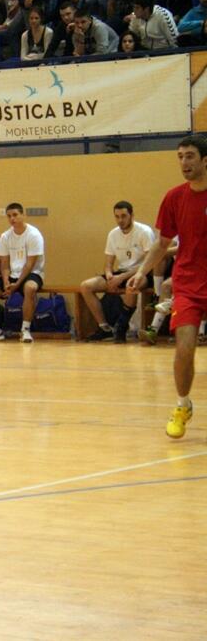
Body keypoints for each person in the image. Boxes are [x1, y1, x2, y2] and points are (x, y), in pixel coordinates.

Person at [126, 136, 207, 437]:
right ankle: (183, 404)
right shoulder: (174, 198)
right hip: (188, 284)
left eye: (190, 156)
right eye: (180, 156)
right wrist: (141, 272)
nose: (184, 162)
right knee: (184, 348)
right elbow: (162, 243)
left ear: (205, 161)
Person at [80, 200, 154, 342]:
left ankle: (122, 325)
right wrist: (109, 276)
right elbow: (108, 263)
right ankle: (104, 327)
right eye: (117, 216)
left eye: (123, 216)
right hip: (120, 272)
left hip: (141, 272)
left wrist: (122, 278)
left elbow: (149, 262)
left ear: (132, 215)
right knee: (86, 286)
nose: (120, 220)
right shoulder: (113, 234)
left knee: (131, 285)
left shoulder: (144, 232)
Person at [0, 203, 46, 342]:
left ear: (23, 215)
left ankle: (25, 330)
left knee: (30, 288)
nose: (12, 218)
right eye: (9, 216)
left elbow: (30, 264)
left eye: (15, 215)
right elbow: (5, 263)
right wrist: (7, 282)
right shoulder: (5, 236)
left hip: (31, 274)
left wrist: (17, 284)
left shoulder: (34, 234)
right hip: (12, 275)